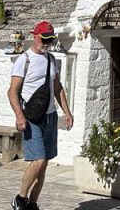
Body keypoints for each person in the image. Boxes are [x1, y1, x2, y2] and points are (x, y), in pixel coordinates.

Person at [7, 21, 74, 210]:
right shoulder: (24, 60)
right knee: (39, 160)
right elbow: (12, 92)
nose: (47, 43)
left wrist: (67, 112)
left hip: (50, 116)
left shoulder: (52, 59)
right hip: (31, 118)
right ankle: (20, 198)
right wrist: (20, 116)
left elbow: (57, 87)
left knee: (44, 164)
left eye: (51, 39)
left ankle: (32, 204)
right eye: (45, 39)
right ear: (35, 36)